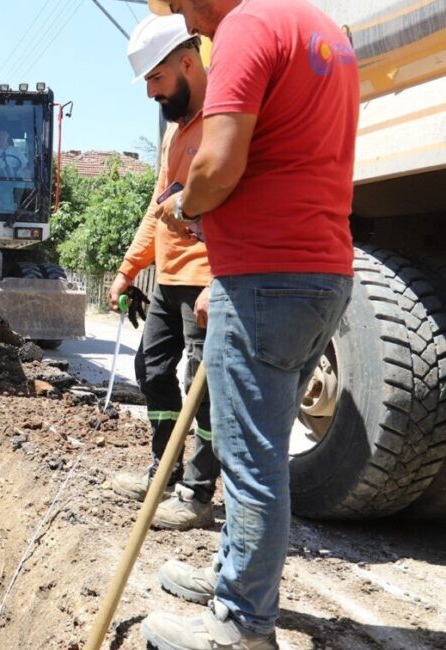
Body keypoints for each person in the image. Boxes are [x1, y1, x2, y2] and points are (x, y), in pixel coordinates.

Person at [143, 0, 358, 648]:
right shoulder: (324, 31)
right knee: (256, 453)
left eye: (178, 6)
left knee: (250, 464)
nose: (186, 22)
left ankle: (239, 626)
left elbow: (220, 164)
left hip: (268, 278)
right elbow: (286, 162)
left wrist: (183, 205)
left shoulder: (245, 29)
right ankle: (233, 580)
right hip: (323, 275)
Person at [109, 13, 221, 532]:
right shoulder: (175, 135)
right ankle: (163, 470)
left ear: (185, 62)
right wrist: (129, 270)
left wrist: (218, 280)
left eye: (156, 79)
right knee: (153, 373)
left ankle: (197, 493)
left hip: (205, 279)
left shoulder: (223, 121)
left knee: (204, 391)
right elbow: (158, 210)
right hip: (168, 280)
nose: (151, 92)